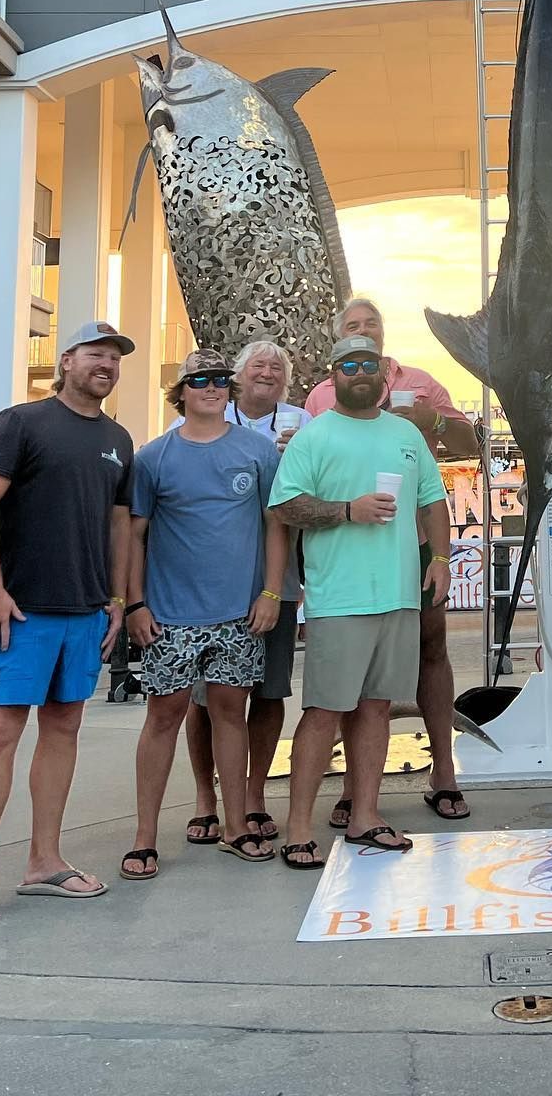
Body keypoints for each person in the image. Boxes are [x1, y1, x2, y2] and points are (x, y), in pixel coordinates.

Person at [0, 320, 136, 930]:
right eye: (95, 354)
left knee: (64, 728)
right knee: (1, 732)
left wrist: (115, 598)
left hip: (84, 611)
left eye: (114, 358)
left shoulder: (118, 439)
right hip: (21, 609)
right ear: (66, 361)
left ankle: (44, 861)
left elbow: (116, 526)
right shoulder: (20, 423)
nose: (105, 364)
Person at [270, 334, 451, 869]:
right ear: (333, 376)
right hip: (340, 599)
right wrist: (347, 510)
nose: (360, 373)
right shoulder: (314, 436)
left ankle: (366, 816)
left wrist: (440, 559)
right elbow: (286, 507)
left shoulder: (405, 434)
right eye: (348, 365)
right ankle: (299, 828)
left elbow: (433, 499)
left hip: (399, 595)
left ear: (383, 375)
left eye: (369, 364)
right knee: (324, 712)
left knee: (376, 709)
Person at [309, 297, 480, 826]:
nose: (364, 332)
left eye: (371, 325)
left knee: (433, 646)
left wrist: (431, 419)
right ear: (340, 340)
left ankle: (443, 771)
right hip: (352, 542)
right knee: (352, 669)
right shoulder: (322, 395)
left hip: (415, 538)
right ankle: (356, 788)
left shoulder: (423, 381)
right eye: (352, 326)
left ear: (383, 336)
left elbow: (469, 441)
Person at [120, 350, 289, 878]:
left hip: (239, 614)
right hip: (170, 615)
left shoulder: (259, 451)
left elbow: (275, 526)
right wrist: (134, 603)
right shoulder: (153, 456)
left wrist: (271, 593)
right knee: (163, 716)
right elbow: (135, 536)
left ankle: (235, 826)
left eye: (220, 380)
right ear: (182, 391)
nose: (211, 388)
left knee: (229, 714)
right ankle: (145, 836)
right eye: (200, 380)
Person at [178, 339, 309, 846]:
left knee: (270, 690)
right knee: (204, 697)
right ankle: (205, 799)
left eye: (278, 367)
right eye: (259, 364)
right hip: (207, 584)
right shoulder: (198, 416)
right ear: (236, 375)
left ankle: (253, 795)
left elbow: (310, 494)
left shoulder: (303, 423)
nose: (268, 372)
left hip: (276, 579)